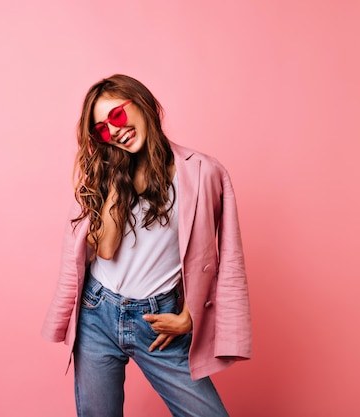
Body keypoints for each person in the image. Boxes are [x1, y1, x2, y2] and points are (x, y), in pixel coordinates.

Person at [41, 74, 251, 417]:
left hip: (156, 320)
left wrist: (192, 316)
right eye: (102, 130)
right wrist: (114, 181)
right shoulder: (108, 174)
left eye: (117, 116)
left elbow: (227, 257)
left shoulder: (202, 172)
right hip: (97, 315)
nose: (114, 131)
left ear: (143, 103)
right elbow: (105, 250)